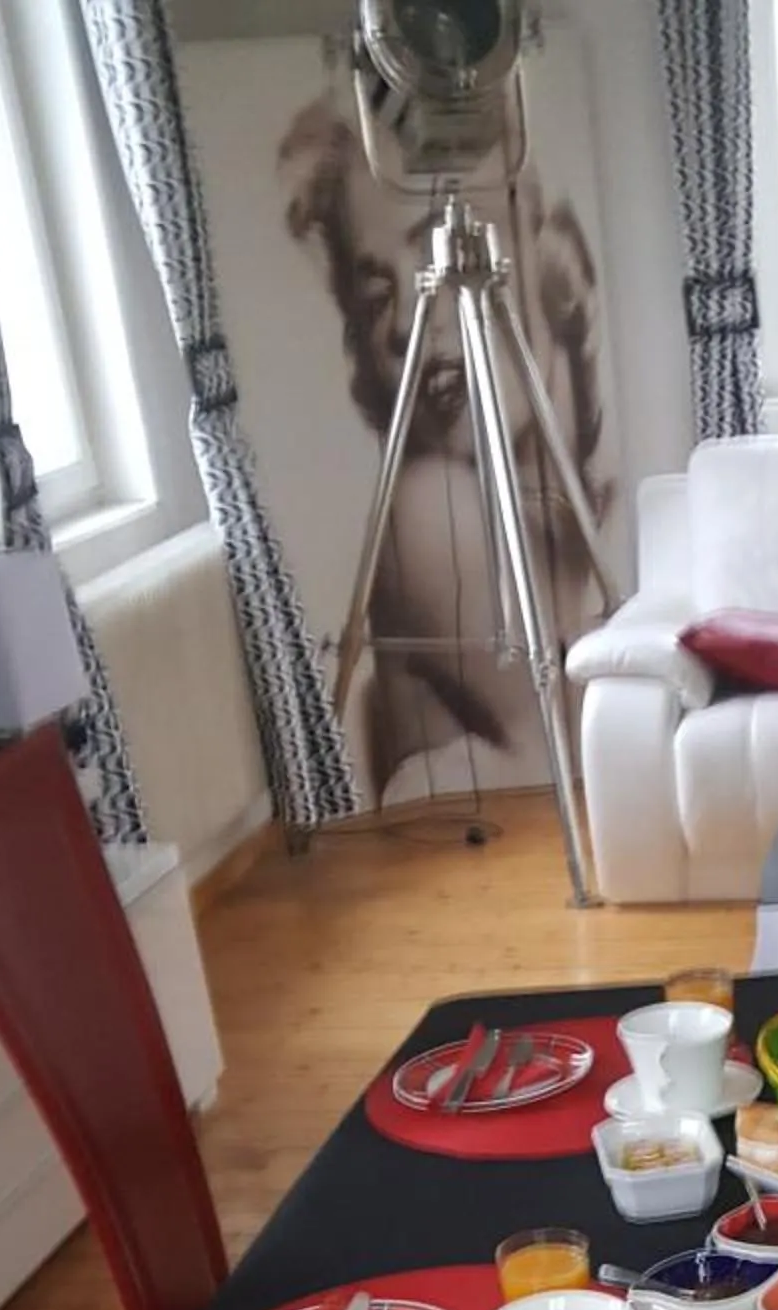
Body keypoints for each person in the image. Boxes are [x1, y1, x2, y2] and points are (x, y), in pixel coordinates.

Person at [279, 83, 614, 805]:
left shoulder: (579, 514)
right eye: (375, 299)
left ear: (555, 262)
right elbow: (587, 759)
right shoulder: (428, 511)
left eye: (435, 248)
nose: (408, 321)